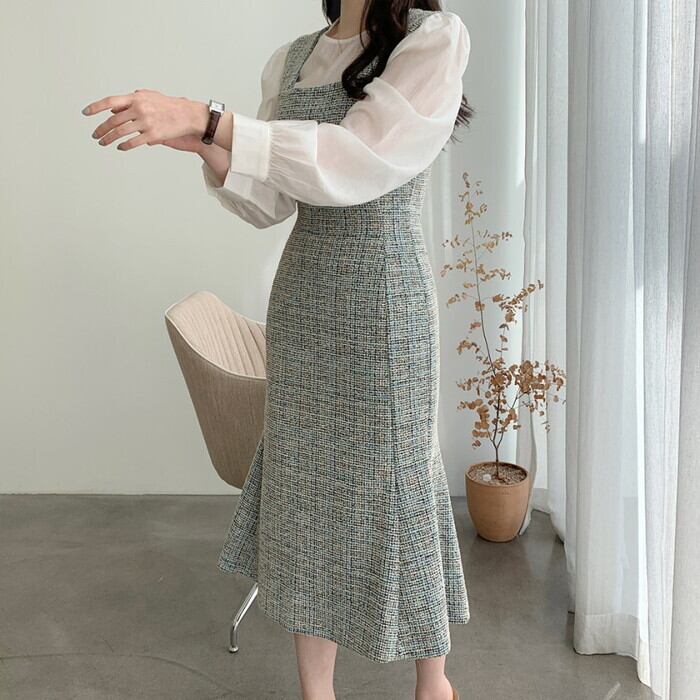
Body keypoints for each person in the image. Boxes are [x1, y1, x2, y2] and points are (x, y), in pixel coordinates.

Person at [82, 1, 473, 698]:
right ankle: (316, 692)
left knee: (399, 482)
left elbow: (351, 160)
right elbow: (269, 201)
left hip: (383, 299)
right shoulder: (292, 59)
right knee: (304, 490)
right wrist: (204, 144)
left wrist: (208, 118)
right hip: (304, 297)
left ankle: (432, 683)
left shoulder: (432, 40)